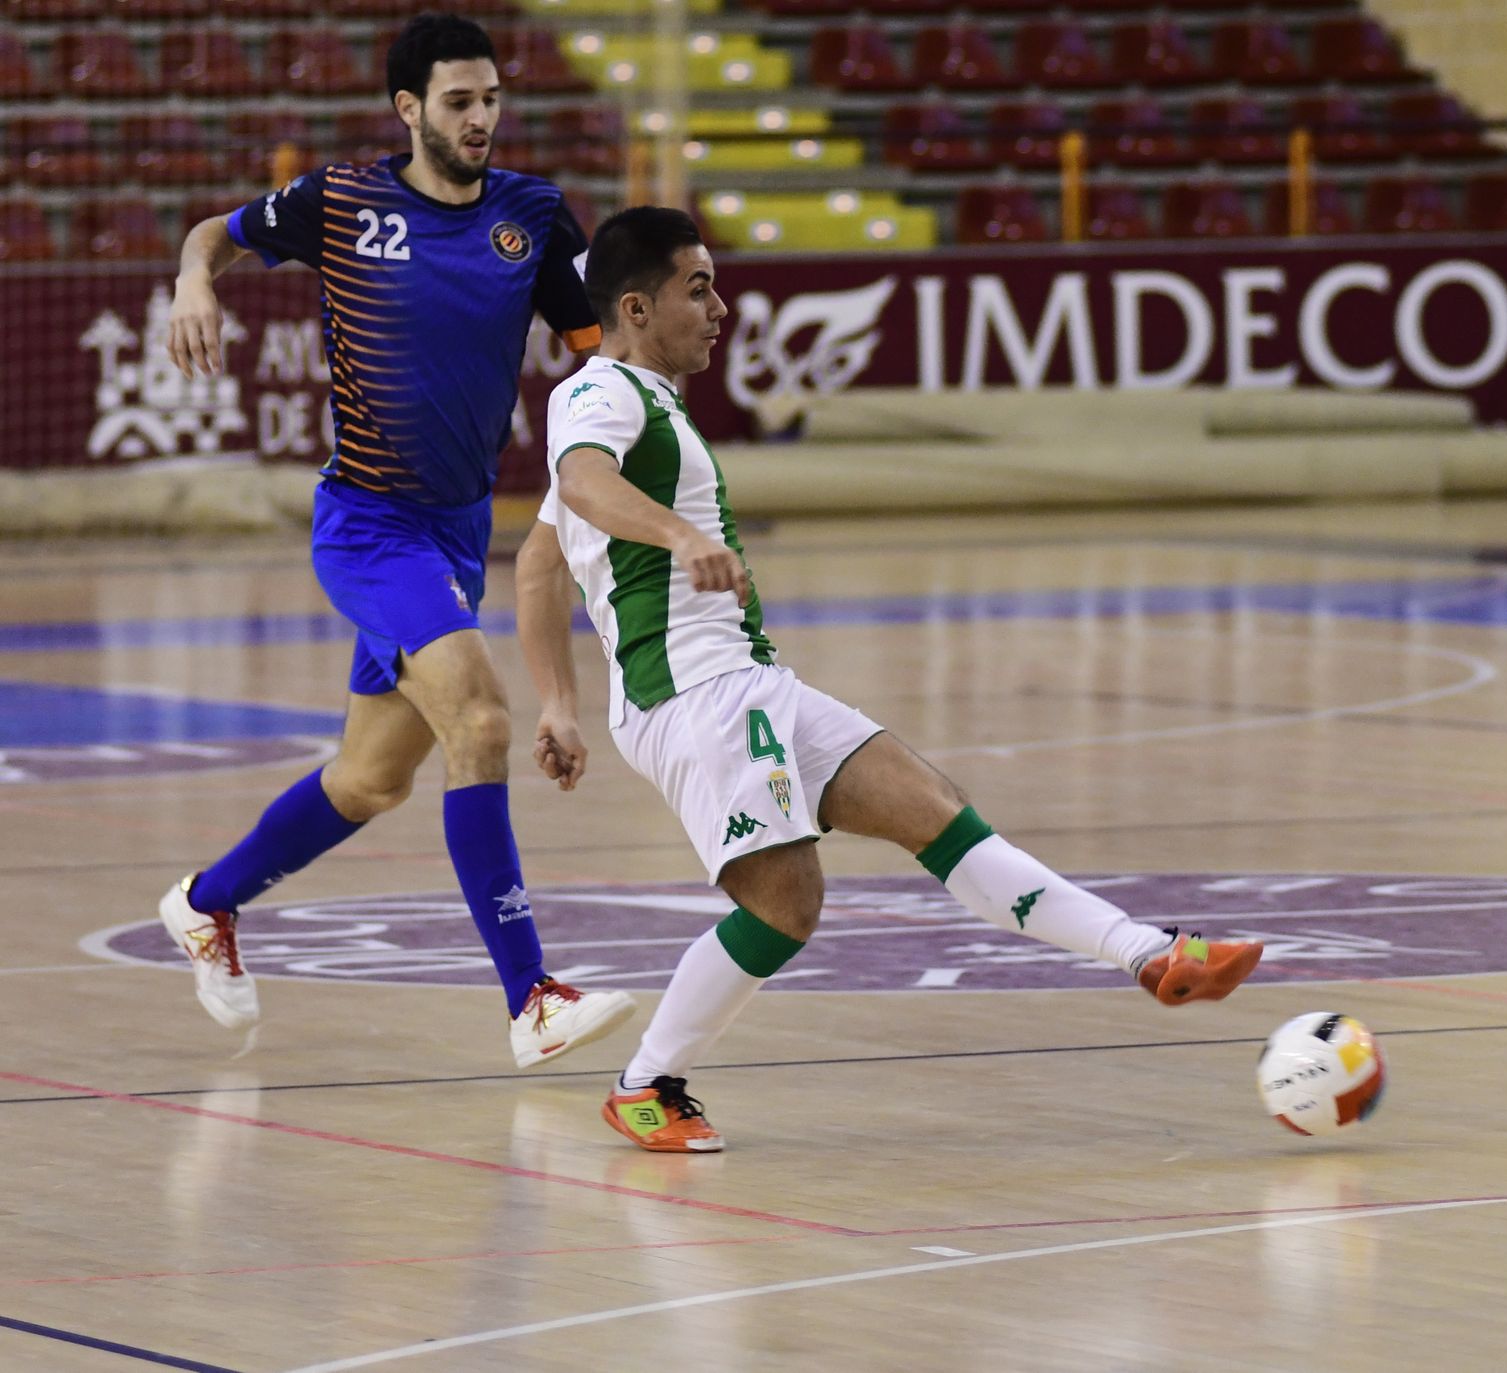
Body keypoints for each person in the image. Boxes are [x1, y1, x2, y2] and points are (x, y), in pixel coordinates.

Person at [515, 206, 1266, 1152]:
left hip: (746, 679)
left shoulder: (645, 404)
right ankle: (645, 1084)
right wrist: (679, 536)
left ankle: (1151, 954)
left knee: (936, 807)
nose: (721, 307)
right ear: (634, 306)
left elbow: (540, 561)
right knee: (786, 904)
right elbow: (582, 486)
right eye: (697, 287)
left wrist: (556, 702)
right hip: (693, 694)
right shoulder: (602, 396)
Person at [160, 13, 634, 1066]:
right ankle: (532, 996)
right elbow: (213, 235)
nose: (481, 119)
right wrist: (196, 280)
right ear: (409, 109)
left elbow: (602, 352)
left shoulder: (532, 214)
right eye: (459, 102)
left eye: (492, 99)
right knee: (480, 716)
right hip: (371, 524)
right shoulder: (341, 200)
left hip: (460, 529)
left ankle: (206, 901)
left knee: (372, 780)